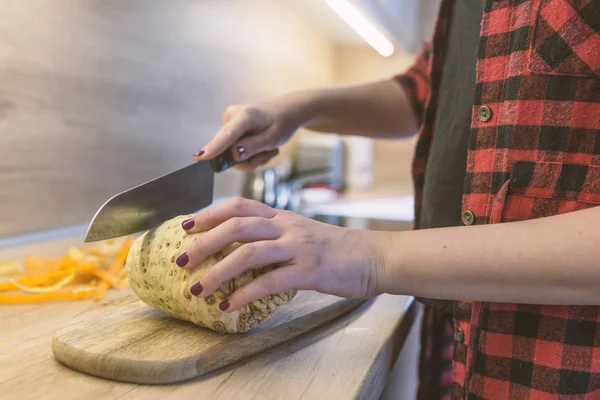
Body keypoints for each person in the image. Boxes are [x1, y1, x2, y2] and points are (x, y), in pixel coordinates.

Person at [175, 0, 600, 398]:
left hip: (558, 366)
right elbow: (426, 88)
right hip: (453, 336)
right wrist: (295, 110)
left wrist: (371, 256)